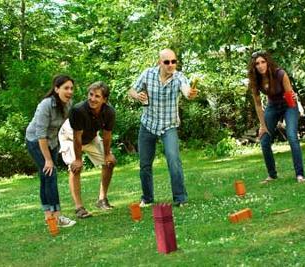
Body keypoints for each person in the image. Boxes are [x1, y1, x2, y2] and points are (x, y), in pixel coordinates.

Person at [128, 48, 198, 207]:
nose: (171, 65)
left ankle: (180, 198)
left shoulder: (179, 77)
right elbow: (131, 90)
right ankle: (147, 198)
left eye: (174, 61)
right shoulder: (148, 74)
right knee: (145, 164)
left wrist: (190, 94)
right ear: (159, 62)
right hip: (148, 124)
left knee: (174, 160)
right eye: (167, 62)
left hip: (169, 125)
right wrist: (137, 95)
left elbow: (186, 90)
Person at [59, 81, 116, 218]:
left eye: (97, 96)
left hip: (90, 136)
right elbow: (77, 137)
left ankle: (102, 199)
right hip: (70, 136)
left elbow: (107, 135)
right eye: (91, 95)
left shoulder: (109, 112)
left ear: (104, 99)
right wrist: (78, 159)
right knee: (75, 167)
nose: (92, 99)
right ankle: (79, 208)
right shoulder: (78, 110)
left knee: (110, 162)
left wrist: (107, 154)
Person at [26, 75, 76, 227]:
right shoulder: (45, 105)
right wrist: (48, 160)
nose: (70, 91)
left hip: (52, 142)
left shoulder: (68, 104)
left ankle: (49, 216)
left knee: (45, 176)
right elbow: (41, 135)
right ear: (56, 89)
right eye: (66, 88)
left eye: (71, 88)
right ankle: (57, 216)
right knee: (51, 174)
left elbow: (64, 127)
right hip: (36, 142)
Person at [248, 51, 305, 183]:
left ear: (268, 63)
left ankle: (300, 175)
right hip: (272, 106)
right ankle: (272, 175)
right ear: (254, 67)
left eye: (263, 62)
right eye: (257, 63)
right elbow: (258, 105)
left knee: (291, 136)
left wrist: (295, 102)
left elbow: (289, 94)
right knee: (264, 139)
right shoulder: (255, 81)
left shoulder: (280, 74)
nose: (261, 65)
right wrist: (263, 126)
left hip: (288, 105)